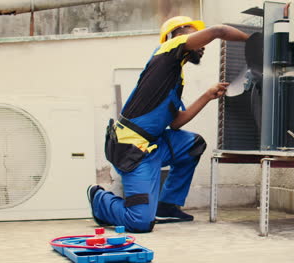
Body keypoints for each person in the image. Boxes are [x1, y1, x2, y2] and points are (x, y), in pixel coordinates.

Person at [87, 16, 249, 233]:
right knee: (140, 222)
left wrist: (207, 95)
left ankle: (167, 206)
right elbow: (218, 30)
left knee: (193, 144)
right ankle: (99, 199)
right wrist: (253, 41)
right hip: (133, 150)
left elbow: (175, 123)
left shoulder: (174, 76)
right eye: (195, 34)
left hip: (154, 145)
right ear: (179, 34)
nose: (203, 46)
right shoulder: (167, 49)